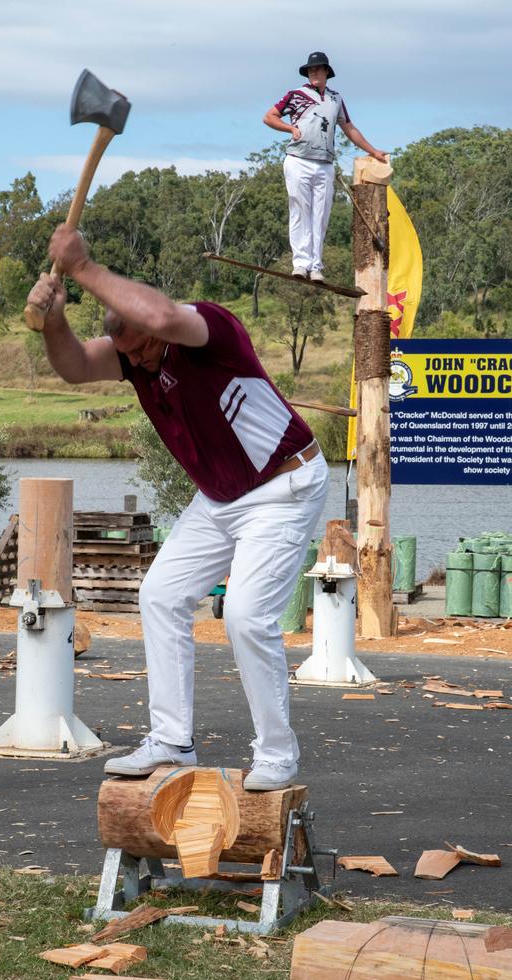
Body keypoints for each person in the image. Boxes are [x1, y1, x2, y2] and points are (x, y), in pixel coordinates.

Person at [26, 225, 329, 790]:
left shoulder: (207, 327)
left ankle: (277, 755)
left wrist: (84, 267)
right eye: (128, 354)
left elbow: (163, 320)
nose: (137, 361)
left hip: (283, 485)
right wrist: (56, 319)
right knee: (161, 595)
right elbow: (72, 366)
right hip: (221, 497)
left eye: (142, 347)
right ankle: (171, 741)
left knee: (244, 615)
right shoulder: (132, 356)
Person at [264, 50, 387, 281]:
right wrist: (290, 129)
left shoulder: (335, 99)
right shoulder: (296, 94)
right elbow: (269, 117)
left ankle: (316, 266)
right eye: (311, 69)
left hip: (324, 163)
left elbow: (349, 128)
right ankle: (300, 263)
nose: (314, 72)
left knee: (321, 215)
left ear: (327, 72)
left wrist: (373, 151)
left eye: (318, 69)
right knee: (300, 209)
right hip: (298, 160)